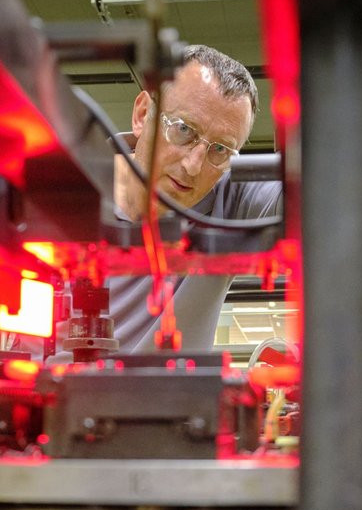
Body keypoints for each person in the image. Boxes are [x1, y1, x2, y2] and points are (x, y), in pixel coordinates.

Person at [104, 44, 283, 354]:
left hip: (171, 401)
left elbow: (325, 198)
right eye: (184, 130)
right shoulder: (68, 186)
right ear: (143, 114)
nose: (193, 166)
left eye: (220, 150)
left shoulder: (232, 200)